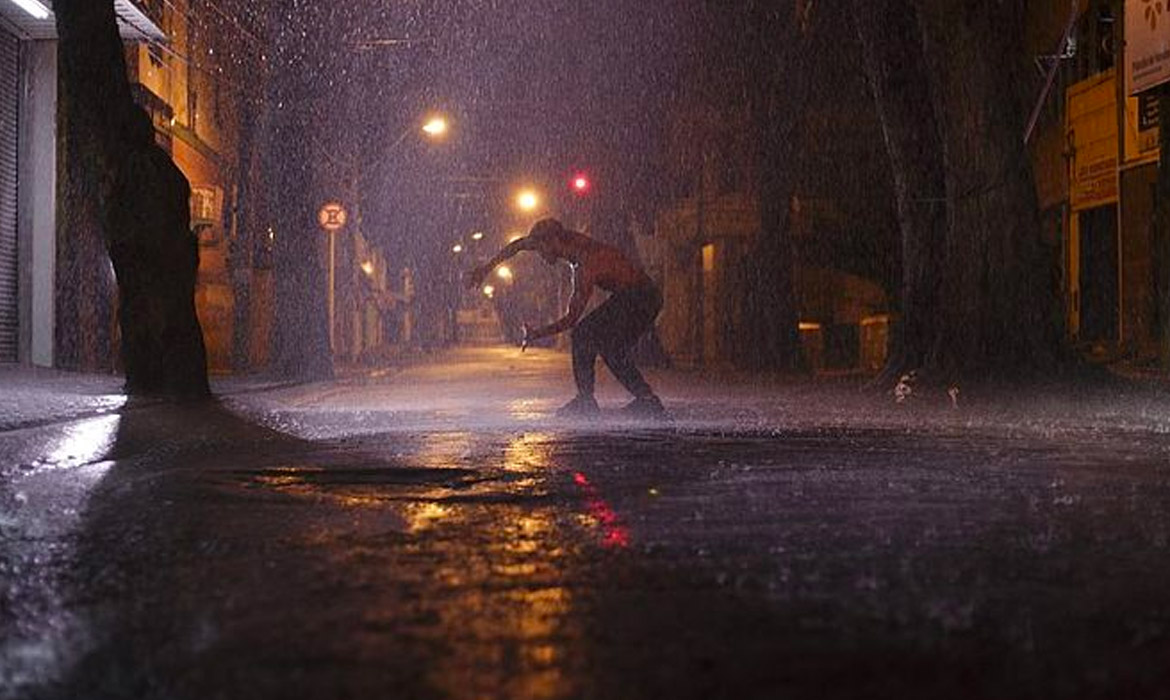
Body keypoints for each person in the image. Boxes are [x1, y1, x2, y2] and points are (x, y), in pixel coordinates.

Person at [467, 218, 666, 417]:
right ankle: (643, 400)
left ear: (553, 241)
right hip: (634, 295)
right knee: (607, 346)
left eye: (541, 250)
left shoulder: (586, 265)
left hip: (641, 298)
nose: (541, 256)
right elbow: (518, 246)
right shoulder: (565, 241)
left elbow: (572, 319)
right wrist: (487, 268)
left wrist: (538, 333)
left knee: (585, 335)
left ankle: (592, 400)